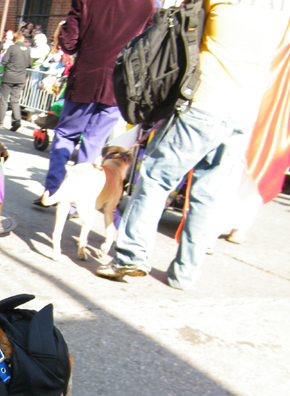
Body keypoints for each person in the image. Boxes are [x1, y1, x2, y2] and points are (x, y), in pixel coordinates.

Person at [97, 1, 290, 291]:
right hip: (243, 115)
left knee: (156, 180)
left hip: (203, 105)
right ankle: (185, 273)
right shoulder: (280, 14)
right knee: (207, 196)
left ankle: (131, 257)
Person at [34, 0, 153, 207]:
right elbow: (148, 48)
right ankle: (74, 200)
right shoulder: (147, 6)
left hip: (85, 79)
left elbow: (68, 43)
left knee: (65, 135)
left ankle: (53, 190)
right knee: (93, 143)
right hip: (118, 85)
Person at [0, 31, 30, 132]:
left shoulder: (12, 48)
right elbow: (29, 63)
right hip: (20, 78)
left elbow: (4, 61)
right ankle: (16, 121)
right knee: (15, 100)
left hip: (9, 76)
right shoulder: (27, 49)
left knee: (3, 99)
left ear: (15, 39)